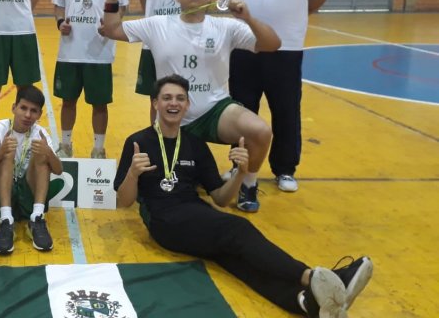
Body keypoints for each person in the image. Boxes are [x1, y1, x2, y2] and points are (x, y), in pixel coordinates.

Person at [114, 74, 373, 318]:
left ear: (187, 104)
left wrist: (241, 172)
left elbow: (220, 198)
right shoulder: (138, 142)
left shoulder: (194, 144)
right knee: (237, 229)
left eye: (180, 98)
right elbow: (123, 202)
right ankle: (312, 276)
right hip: (163, 220)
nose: (174, 103)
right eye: (167, 98)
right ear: (155, 103)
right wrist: (133, 174)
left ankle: (303, 302)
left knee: (234, 258)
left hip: (196, 213)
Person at [100, 0, 279, 213]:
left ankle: (248, 183)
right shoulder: (158, 24)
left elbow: (272, 44)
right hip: (173, 115)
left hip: (215, 110)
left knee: (261, 131)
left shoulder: (226, 27)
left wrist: (248, 18)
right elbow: (112, 30)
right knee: (167, 186)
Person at [223, 0, 328, 192]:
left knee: (286, 109)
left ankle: (285, 169)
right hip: (246, 46)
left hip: (287, 48)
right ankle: (238, 165)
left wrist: (293, 16)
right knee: (241, 110)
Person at [52, 0, 128, 158]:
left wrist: (111, 26)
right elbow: (59, 5)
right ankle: (65, 145)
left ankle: (98, 148)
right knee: (68, 101)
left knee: (99, 103)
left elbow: (122, 7)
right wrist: (60, 23)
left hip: (100, 50)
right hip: (70, 50)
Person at [129, 0, 211, 124]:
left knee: (190, 95)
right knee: (157, 98)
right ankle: (158, 139)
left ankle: (189, 139)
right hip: (156, 40)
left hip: (189, 38)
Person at [0, 85, 63, 255]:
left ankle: (37, 217)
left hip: (26, 198)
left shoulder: (40, 133)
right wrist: (1, 151)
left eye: (34, 111)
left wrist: (48, 153)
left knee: (42, 154)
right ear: (14, 108)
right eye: (23, 108)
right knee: (6, 154)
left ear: (39, 114)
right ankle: (5, 220)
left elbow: (59, 170)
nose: (28, 115)